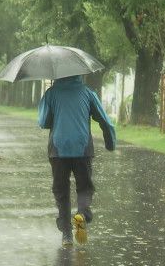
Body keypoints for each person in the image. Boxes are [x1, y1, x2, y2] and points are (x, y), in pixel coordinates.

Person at [38, 75, 116, 246]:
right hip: (82, 148)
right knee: (85, 186)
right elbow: (105, 121)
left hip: (58, 148)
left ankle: (66, 233)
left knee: (61, 189)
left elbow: (43, 122)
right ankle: (82, 213)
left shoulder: (51, 93)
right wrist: (110, 143)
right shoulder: (87, 93)